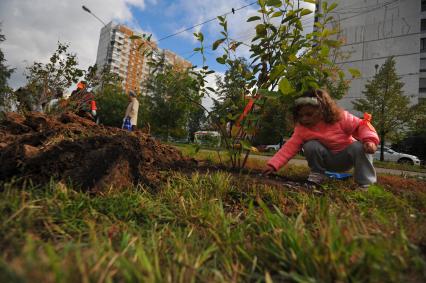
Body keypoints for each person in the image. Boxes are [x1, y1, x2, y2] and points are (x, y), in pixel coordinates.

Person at [263, 89, 379, 189]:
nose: (304, 119)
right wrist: (273, 164)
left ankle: (366, 184)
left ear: (323, 109)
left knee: (358, 146)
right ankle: (317, 175)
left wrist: (369, 140)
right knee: (310, 145)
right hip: (325, 160)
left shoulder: (341, 118)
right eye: (300, 115)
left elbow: (361, 125)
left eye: (309, 114)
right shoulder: (302, 129)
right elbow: (289, 147)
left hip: (346, 159)